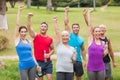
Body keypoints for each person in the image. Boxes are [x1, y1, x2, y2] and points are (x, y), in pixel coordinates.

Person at [27, 12, 54, 80]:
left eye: (45, 26)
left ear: (47, 28)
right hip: (38, 63)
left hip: (48, 63)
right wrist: (29, 18)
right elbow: (29, 28)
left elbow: (53, 49)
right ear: (40, 28)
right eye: (42, 26)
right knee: (40, 79)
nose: (43, 27)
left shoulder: (50, 39)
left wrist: (49, 54)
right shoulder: (36, 36)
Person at [83, 8, 106, 80]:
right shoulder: (90, 40)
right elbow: (89, 26)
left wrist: (106, 51)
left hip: (101, 67)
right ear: (93, 33)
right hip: (91, 67)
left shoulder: (103, 43)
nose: (98, 33)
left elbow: (102, 55)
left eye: (99, 31)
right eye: (96, 31)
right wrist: (89, 13)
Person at [64, 7, 86, 80]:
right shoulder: (69, 35)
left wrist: (85, 60)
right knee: (70, 77)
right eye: (74, 27)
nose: (76, 28)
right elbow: (66, 23)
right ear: (72, 29)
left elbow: (83, 50)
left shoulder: (81, 39)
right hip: (69, 60)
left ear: (79, 28)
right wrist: (66, 12)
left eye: (77, 27)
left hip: (78, 61)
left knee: (79, 77)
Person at [15, 6, 36, 80]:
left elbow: (32, 55)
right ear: (19, 32)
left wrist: (37, 64)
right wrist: (19, 12)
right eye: (22, 32)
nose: (23, 33)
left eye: (25, 32)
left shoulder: (29, 41)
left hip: (32, 65)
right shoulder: (17, 41)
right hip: (23, 66)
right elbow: (17, 25)